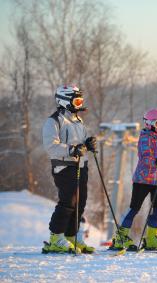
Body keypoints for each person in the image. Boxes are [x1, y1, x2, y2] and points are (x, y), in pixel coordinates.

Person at [111, 108, 157, 251]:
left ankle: (152, 238)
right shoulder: (145, 137)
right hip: (143, 179)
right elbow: (146, 158)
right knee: (135, 208)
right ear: (149, 124)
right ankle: (121, 236)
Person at [42, 84, 96, 254]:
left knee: (81, 202)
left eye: (81, 100)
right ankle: (55, 238)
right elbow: (51, 146)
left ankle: (72, 237)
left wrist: (88, 144)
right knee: (68, 203)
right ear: (64, 101)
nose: (80, 104)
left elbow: (81, 142)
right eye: (77, 100)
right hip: (64, 167)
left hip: (80, 165)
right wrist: (71, 150)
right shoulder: (54, 120)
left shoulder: (78, 120)